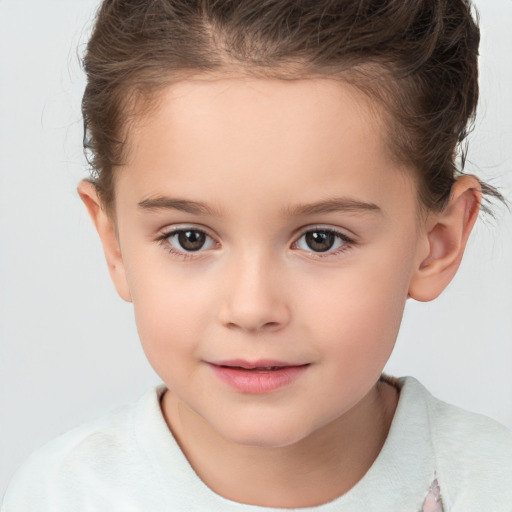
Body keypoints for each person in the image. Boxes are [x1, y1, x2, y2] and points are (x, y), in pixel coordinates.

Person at [2, 0, 511, 510]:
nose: (251, 308)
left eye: (321, 239)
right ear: (115, 243)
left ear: (437, 244)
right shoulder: (59, 496)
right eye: (190, 238)